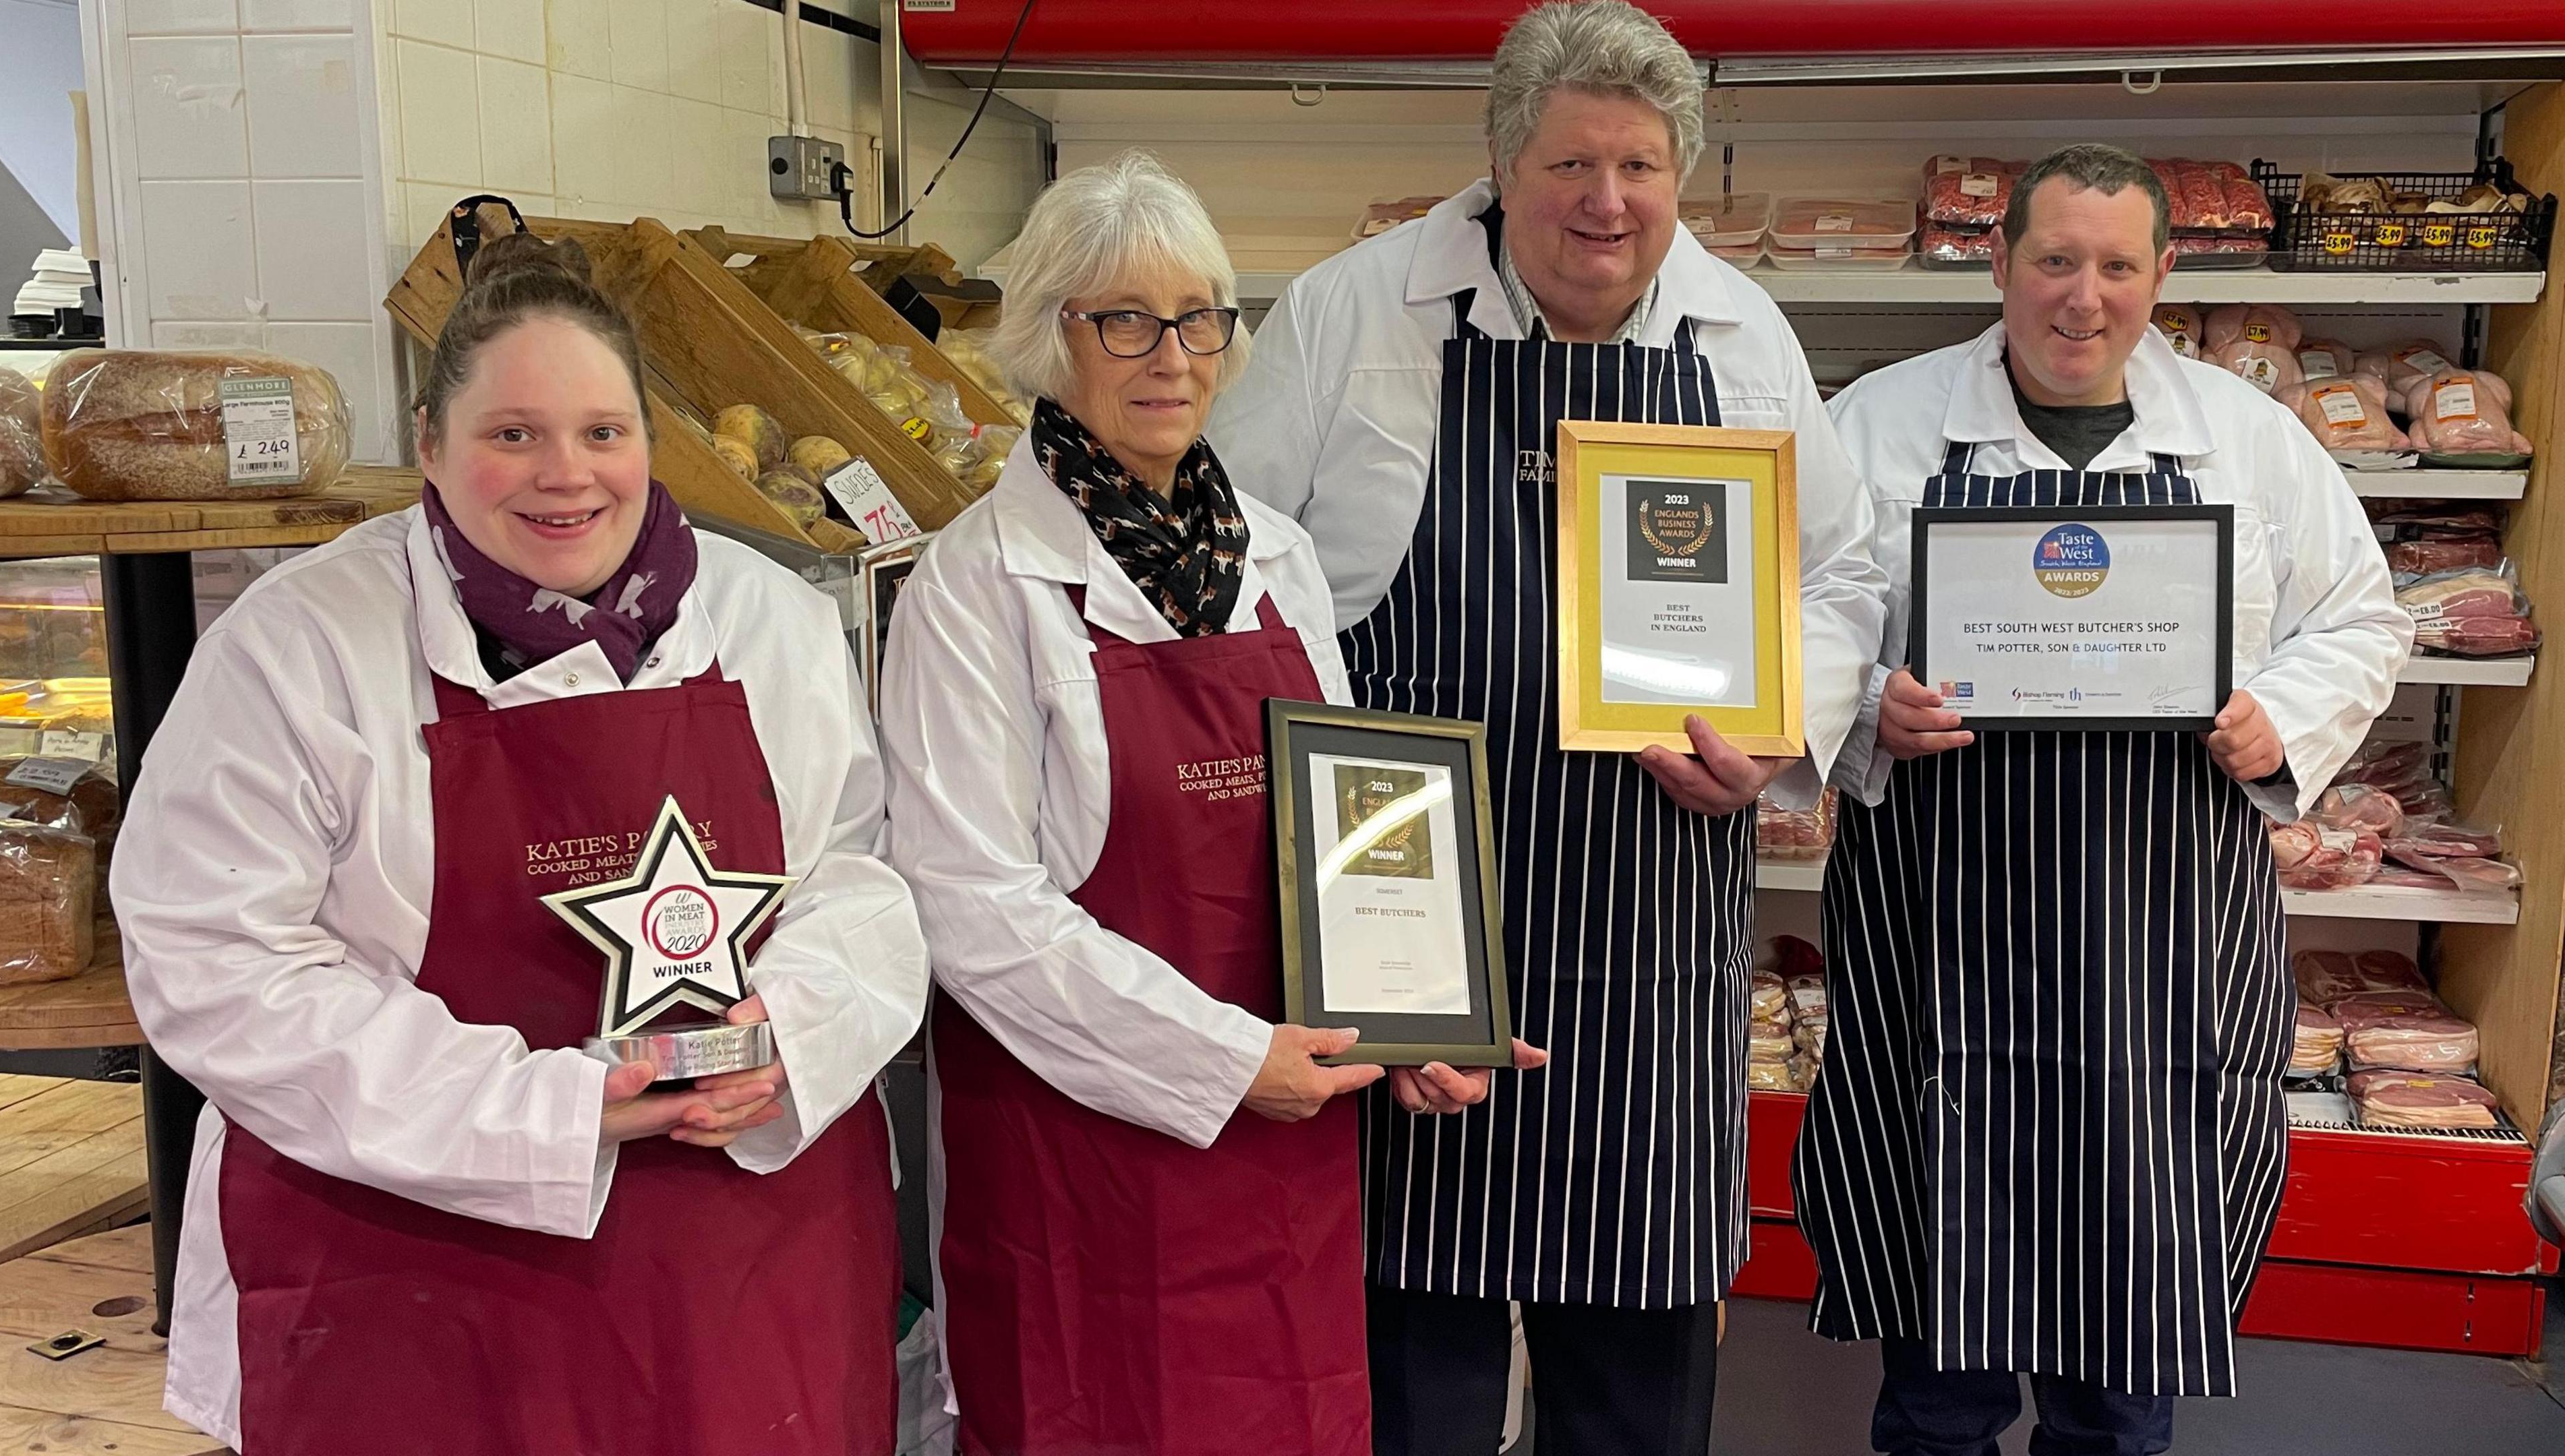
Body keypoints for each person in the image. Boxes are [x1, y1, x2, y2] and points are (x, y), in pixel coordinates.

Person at [113, 235, 928, 1456]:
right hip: (410, 1268)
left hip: (742, 1259)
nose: (567, 476)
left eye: (604, 433)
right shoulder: (302, 646)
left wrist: (792, 1032)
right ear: (432, 448)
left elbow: (855, 883)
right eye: (513, 435)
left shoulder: (776, 623)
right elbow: (217, 962)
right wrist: (543, 1111)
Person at [1210, 3, 1889, 1451]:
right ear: (1503, 166)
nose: (1608, 202)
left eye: (1641, 166)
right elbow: (1236, 569)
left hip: (1650, 914)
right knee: (1416, 1349)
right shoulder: (1356, 310)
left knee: (1638, 1361)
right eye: (1572, 163)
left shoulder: (1741, 331)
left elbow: (1839, 573)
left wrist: (1775, 735)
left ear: (1681, 176)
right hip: (1410, 905)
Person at [881, 152, 1541, 1456]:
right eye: (1122, 318)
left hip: (1288, 1148)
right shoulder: (978, 584)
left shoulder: (1278, 561)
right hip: (1085, 1148)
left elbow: (1354, 841)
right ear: (1047, 337)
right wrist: (1232, 1062)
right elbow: (973, 909)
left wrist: (1413, 1025)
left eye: (1199, 318)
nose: (1169, 355)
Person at [1795, 143, 2412, 1456]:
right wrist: (1866, 703)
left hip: (2165, 957)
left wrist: (2276, 720)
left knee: (2125, 1376)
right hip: (1939, 948)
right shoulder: (1881, 422)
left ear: (2162, 274)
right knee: (1937, 1380)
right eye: (2055, 261)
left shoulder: (2251, 440)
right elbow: (1803, 618)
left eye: (2117, 266)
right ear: (2004, 265)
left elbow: (2363, 620)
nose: (2085, 296)